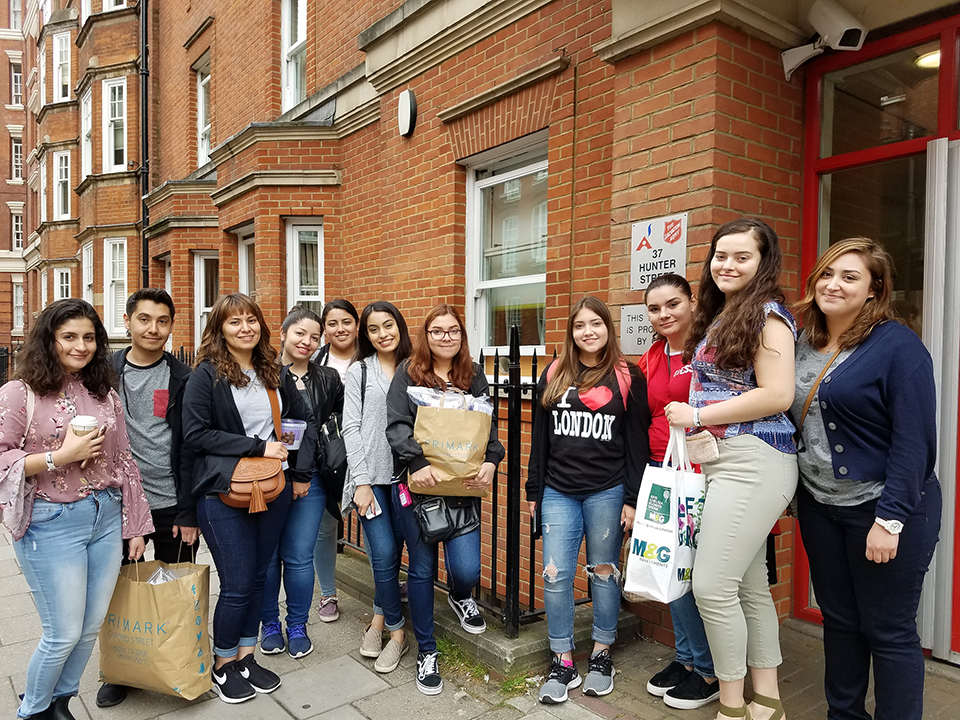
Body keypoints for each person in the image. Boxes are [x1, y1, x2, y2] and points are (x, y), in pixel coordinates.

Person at [793, 238, 940, 720]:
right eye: (827, 273)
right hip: (820, 507)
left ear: (875, 288)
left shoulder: (898, 345)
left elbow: (913, 443)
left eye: (850, 277)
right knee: (840, 622)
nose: (833, 284)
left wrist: (891, 519)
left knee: (889, 630)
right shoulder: (800, 339)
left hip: (882, 508)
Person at [664, 218, 798, 720]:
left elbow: (777, 394)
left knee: (711, 587)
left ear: (763, 263)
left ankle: (731, 707)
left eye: (742, 256)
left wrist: (697, 415)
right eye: (721, 255)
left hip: (755, 459)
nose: (728, 264)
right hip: (730, 463)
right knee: (746, 586)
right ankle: (767, 702)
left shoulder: (768, 315)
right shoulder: (724, 314)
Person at [0, 299, 153, 720]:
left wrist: (135, 525)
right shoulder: (20, 393)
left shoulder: (102, 392)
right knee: (62, 632)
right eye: (69, 336)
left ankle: (61, 702)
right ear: (48, 340)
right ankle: (32, 711)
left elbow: (124, 458)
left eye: (88, 337)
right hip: (51, 522)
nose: (80, 346)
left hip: (104, 515)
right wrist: (58, 456)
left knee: (89, 627)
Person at [182, 293, 316, 704]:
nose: (245, 328)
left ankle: (246, 656)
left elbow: (299, 420)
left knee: (260, 578)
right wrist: (258, 446)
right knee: (238, 582)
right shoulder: (205, 374)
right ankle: (222, 665)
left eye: (251, 320)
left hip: (273, 490)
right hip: (224, 492)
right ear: (220, 329)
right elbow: (195, 434)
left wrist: (295, 466)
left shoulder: (271, 371)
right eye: (234, 321)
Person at [526, 296, 649, 704]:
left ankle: (601, 653)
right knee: (556, 575)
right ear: (571, 331)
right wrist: (533, 491)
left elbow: (637, 444)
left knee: (604, 571)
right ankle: (562, 658)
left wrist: (632, 499)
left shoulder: (627, 375)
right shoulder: (554, 373)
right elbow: (539, 439)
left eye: (595, 324)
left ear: (608, 329)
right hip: (559, 491)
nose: (588, 332)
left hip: (608, 490)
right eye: (580, 326)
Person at [386, 303, 504, 695]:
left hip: (463, 489)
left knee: (468, 570)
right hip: (420, 490)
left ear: (462, 336)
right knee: (421, 571)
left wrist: (491, 461)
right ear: (426, 335)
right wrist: (415, 460)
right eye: (437, 331)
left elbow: (489, 425)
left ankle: (459, 596)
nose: (445, 337)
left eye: (453, 331)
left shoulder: (473, 375)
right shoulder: (408, 373)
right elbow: (397, 423)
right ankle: (427, 651)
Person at [95, 288, 199, 708]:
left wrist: (190, 508)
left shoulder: (184, 378)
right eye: (144, 319)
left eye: (161, 321)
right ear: (128, 321)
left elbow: (192, 447)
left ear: (171, 326)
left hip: (174, 500)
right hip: (122, 502)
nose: (153, 329)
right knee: (121, 587)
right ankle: (121, 668)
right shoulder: (104, 373)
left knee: (173, 587)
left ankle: (176, 661)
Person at [639, 275, 719, 710]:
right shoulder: (653, 354)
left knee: (695, 573)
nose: (665, 314)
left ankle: (708, 670)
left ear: (692, 301)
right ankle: (687, 659)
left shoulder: (709, 347)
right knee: (671, 563)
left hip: (700, 472)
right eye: (654, 308)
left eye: (673, 303)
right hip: (661, 470)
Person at [259, 307, 343, 658]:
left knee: (298, 556)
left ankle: (297, 625)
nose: (307, 342)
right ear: (283, 333)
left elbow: (333, 426)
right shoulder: (262, 374)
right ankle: (268, 624)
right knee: (268, 557)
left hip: (310, 480)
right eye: (300, 334)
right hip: (265, 478)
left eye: (314, 337)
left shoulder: (328, 378)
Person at [341, 301, 412, 672]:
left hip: (407, 479)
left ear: (399, 326)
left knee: (402, 552)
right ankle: (398, 634)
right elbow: (350, 427)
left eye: (389, 325)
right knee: (383, 555)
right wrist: (362, 482)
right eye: (373, 329)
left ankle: (378, 620)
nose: (383, 334)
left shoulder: (416, 368)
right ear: (365, 335)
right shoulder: (360, 372)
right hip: (371, 480)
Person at [312, 298, 360, 622]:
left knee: (375, 523)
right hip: (325, 457)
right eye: (332, 323)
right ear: (324, 329)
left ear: (357, 325)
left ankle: (387, 582)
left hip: (367, 453)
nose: (340, 329)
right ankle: (328, 594)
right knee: (324, 527)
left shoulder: (372, 358)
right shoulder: (314, 362)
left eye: (346, 322)